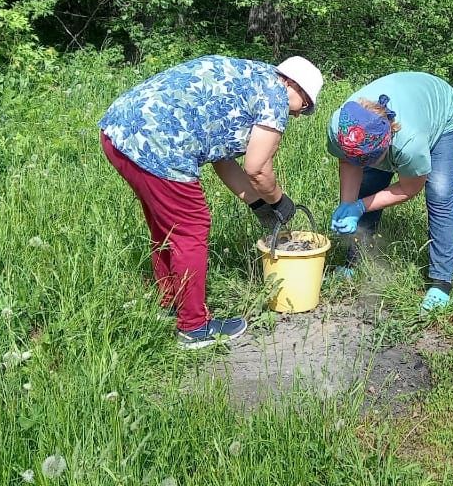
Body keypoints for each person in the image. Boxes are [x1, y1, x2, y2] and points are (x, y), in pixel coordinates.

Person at [99, 55, 323, 349]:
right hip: (159, 145)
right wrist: (279, 201)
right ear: (295, 86)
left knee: (166, 225)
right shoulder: (275, 98)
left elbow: (223, 160)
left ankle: (171, 302)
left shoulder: (251, 77)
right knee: (192, 228)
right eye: (304, 108)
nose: (297, 116)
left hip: (120, 132)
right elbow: (257, 168)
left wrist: (258, 205)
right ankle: (193, 327)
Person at [325, 72, 453, 311]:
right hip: (406, 104)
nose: (364, 162)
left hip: (442, 109)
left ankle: (442, 281)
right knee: (369, 183)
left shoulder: (410, 143)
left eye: (371, 157)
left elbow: (409, 188)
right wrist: (348, 204)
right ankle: (355, 259)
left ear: (387, 140)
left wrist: (360, 206)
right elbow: (349, 162)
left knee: (439, 194)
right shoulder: (341, 126)